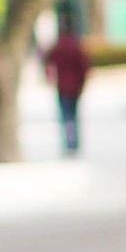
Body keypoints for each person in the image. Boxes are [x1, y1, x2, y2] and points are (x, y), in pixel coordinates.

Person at [44, 17, 91, 154]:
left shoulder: (58, 46)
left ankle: (68, 143)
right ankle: (74, 143)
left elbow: (47, 61)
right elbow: (84, 67)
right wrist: (83, 83)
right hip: (75, 86)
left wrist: (49, 78)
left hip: (62, 86)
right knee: (74, 115)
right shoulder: (76, 46)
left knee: (65, 116)